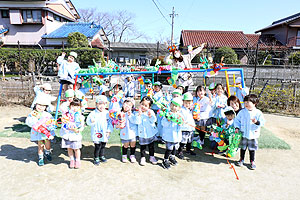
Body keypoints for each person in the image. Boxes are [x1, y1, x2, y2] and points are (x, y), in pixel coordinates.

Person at [234, 94, 265, 170]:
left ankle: (252, 161)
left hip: (253, 134)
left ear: (254, 103)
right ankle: (241, 159)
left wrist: (256, 122)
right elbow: (237, 120)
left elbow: (262, 122)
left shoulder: (258, 113)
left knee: (252, 149)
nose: (246, 104)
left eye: (248, 102)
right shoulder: (242, 112)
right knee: (243, 147)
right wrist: (237, 127)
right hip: (243, 133)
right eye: (245, 102)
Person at [25, 96, 55, 166]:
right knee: (40, 145)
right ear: (35, 105)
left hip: (46, 133)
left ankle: (47, 153)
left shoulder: (47, 114)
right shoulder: (33, 114)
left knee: (48, 144)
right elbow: (28, 121)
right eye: (39, 105)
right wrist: (35, 123)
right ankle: (41, 158)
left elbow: (52, 121)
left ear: (46, 107)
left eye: (43, 105)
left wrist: (51, 124)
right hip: (38, 132)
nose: (40, 107)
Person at [86, 95, 113, 166]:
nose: (101, 106)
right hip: (96, 132)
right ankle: (96, 157)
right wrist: (91, 121)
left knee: (103, 145)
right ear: (96, 104)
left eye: (103, 104)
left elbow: (110, 122)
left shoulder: (107, 113)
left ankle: (102, 155)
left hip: (105, 132)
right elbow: (88, 121)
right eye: (100, 104)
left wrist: (109, 131)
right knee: (97, 145)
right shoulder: (93, 113)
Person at [60, 98, 85, 169]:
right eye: (73, 106)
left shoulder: (80, 116)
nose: (75, 108)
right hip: (67, 134)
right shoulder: (66, 115)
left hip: (75, 135)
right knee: (69, 148)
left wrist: (79, 130)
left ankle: (77, 160)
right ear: (70, 106)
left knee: (76, 148)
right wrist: (67, 128)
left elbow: (82, 125)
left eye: (77, 106)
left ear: (80, 107)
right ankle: (71, 159)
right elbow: (63, 124)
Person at [134, 96, 158, 166]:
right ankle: (143, 157)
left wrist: (151, 116)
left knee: (151, 146)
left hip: (150, 132)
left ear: (149, 107)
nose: (143, 107)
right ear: (139, 103)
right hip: (142, 133)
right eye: (142, 104)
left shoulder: (150, 112)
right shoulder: (137, 112)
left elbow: (154, 121)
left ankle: (152, 156)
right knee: (143, 146)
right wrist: (139, 114)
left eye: (146, 105)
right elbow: (137, 122)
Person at [161, 97, 183, 169]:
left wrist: (180, 124)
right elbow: (163, 123)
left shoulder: (180, 115)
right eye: (172, 105)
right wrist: (168, 120)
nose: (173, 107)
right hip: (169, 135)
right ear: (170, 105)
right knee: (169, 148)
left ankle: (172, 157)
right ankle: (165, 159)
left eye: (176, 106)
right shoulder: (167, 114)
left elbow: (182, 123)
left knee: (175, 147)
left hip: (177, 135)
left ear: (179, 108)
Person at [118, 98, 137, 163]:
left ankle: (132, 155)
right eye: (125, 104)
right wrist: (118, 125)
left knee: (133, 145)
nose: (127, 106)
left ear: (132, 107)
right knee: (125, 145)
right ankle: (124, 155)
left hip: (132, 132)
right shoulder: (120, 113)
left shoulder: (133, 114)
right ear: (122, 105)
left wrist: (130, 115)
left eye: (129, 105)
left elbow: (135, 121)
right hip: (124, 132)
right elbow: (117, 123)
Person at [177, 92, 196, 159]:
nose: (187, 104)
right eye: (186, 103)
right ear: (183, 102)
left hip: (191, 127)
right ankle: (180, 151)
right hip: (184, 128)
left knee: (189, 140)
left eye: (189, 103)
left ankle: (188, 150)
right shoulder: (181, 109)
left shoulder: (191, 109)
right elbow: (180, 117)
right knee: (183, 141)